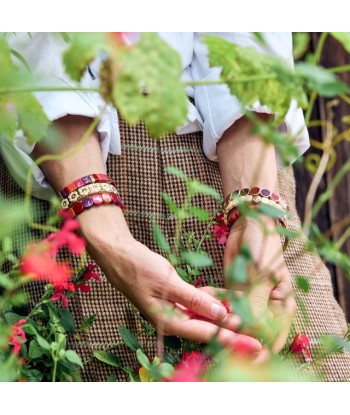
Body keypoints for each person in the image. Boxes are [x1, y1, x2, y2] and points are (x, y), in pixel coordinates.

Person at [1, 32, 316, 378]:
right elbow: (30, 46)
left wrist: (256, 216)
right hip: (70, 160)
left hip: (247, 163)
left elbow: (250, 36)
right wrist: (107, 234)